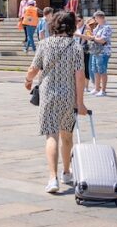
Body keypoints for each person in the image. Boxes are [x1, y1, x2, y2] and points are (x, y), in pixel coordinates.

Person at [24, 11, 88, 194]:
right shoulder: (76, 47)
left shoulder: (44, 44)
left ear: (53, 25)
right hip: (69, 97)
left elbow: (33, 69)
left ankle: (52, 179)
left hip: (49, 95)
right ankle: (66, 172)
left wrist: (28, 80)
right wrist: (80, 102)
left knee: (51, 135)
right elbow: (80, 76)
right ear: (72, 26)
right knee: (67, 135)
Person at [81, 11, 112, 96]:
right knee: (95, 70)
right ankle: (97, 88)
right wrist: (86, 34)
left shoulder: (107, 27)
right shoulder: (97, 27)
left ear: (100, 17)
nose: (94, 20)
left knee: (102, 70)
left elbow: (103, 40)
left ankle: (103, 90)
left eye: (95, 18)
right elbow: (93, 38)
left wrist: (93, 37)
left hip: (103, 52)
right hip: (95, 51)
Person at [74, 16, 93, 92]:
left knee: (85, 68)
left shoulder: (86, 28)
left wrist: (79, 35)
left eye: (79, 20)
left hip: (84, 50)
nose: (77, 22)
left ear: (83, 20)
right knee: (76, 68)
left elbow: (89, 37)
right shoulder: (75, 27)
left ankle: (86, 86)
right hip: (75, 50)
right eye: (76, 20)